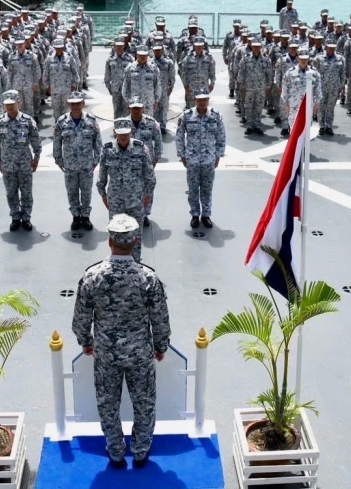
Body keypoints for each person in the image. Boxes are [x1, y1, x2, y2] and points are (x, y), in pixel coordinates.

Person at [71, 213, 171, 470]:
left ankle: (115, 452)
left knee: (107, 403)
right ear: (136, 241)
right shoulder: (148, 278)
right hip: (139, 354)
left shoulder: (93, 276)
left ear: (109, 241)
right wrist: (160, 346)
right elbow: (160, 319)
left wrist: (86, 342)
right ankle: (140, 451)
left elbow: (82, 317)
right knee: (144, 402)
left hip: (106, 354)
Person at [97, 120, 155, 261]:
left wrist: (147, 196)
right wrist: (103, 195)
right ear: (115, 132)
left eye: (126, 133)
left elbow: (150, 176)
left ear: (131, 132)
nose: (123, 137)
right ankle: (117, 266)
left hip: (136, 201)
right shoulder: (107, 149)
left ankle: (135, 265)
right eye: (120, 133)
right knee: (116, 236)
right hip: (115, 202)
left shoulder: (140, 149)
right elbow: (102, 177)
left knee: (136, 236)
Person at [0, 90, 41, 231]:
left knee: (26, 193)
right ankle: (15, 217)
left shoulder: (27, 121)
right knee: (11, 193)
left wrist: (36, 159)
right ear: (3, 106)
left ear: (18, 103)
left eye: (12, 104)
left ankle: (26, 218)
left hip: (24, 164)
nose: (10, 107)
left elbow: (36, 141)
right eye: (7, 105)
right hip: (7, 165)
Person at [175, 88, 226, 229]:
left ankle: (206, 215)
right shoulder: (186, 116)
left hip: (209, 159)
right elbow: (179, 136)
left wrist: (218, 155)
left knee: (207, 188)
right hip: (192, 160)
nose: (202, 102)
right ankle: (195, 214)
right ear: (195, 100)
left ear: (208, 100)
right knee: (193, 189)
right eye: (199, 99)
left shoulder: (215, 116)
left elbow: (221, 136)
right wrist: (182, 155)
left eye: (205, 99)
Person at [53, 91, 102, 231]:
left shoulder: (91, 121)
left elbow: (97, 141)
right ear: (68, 104)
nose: (75, 106)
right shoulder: (62, 121)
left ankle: (85, 217)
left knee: (86, 191)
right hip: (70, 165)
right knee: (72, 191)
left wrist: (96, 159)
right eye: (72, 104)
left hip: (87, 164)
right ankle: (75, 217)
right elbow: (57, 142)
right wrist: (59, 160)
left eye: (78, 103)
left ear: (83, 104)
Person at [122, 97, 163, 226]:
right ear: (129, 108)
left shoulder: (151, 123)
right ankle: (129, 213)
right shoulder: (123, 124)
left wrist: (155, 160)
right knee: (128, 188)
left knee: (147, 188)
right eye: (133, 108)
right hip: (128, 163)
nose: (136, 111)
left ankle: (144, 214)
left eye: (138, 108)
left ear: (143, 109)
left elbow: (158, 142)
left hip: (146, 163)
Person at [313, 39, 346, 136]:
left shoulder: (340, 59)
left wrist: (341, 86)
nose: (331, 50)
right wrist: (315, 88)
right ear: (326, 47)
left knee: (330, 108)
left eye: (333, 48)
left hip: (334, 88)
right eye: (330, 48)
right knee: (321, 107)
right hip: (321, 88)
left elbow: (342, 73)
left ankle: (329, 126)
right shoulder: (318, 58)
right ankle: (321, 126)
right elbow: (314, 73)